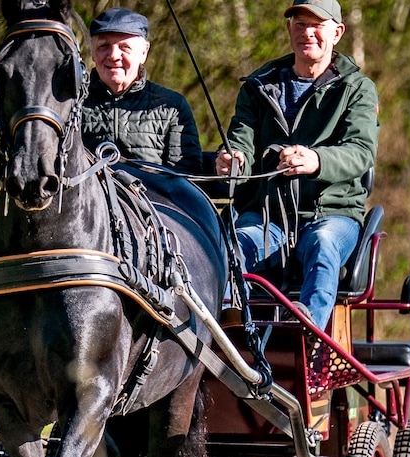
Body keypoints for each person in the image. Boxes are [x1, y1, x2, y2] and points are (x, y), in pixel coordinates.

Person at [214, 0, 378, 327]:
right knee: (234, 246)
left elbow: (360, 151)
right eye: (300, 24)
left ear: (337, 32)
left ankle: (309, 332)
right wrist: (234, 160)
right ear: (289, 29)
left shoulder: (357, 90)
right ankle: (229, 335)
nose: (308, 33)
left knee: (323, 244)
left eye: (317, 24)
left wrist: (316, 160)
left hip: (332, 213)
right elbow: (241, 140)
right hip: (266, 216)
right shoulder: (258, 87)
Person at [82, 7, 203, 173]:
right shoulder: (72, 103)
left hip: (153, 197)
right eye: (104, 46)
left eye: (124, 47)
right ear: (92, 53)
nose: (113, 55)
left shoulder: (171, 107)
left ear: (144, 52)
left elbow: (184, 179)